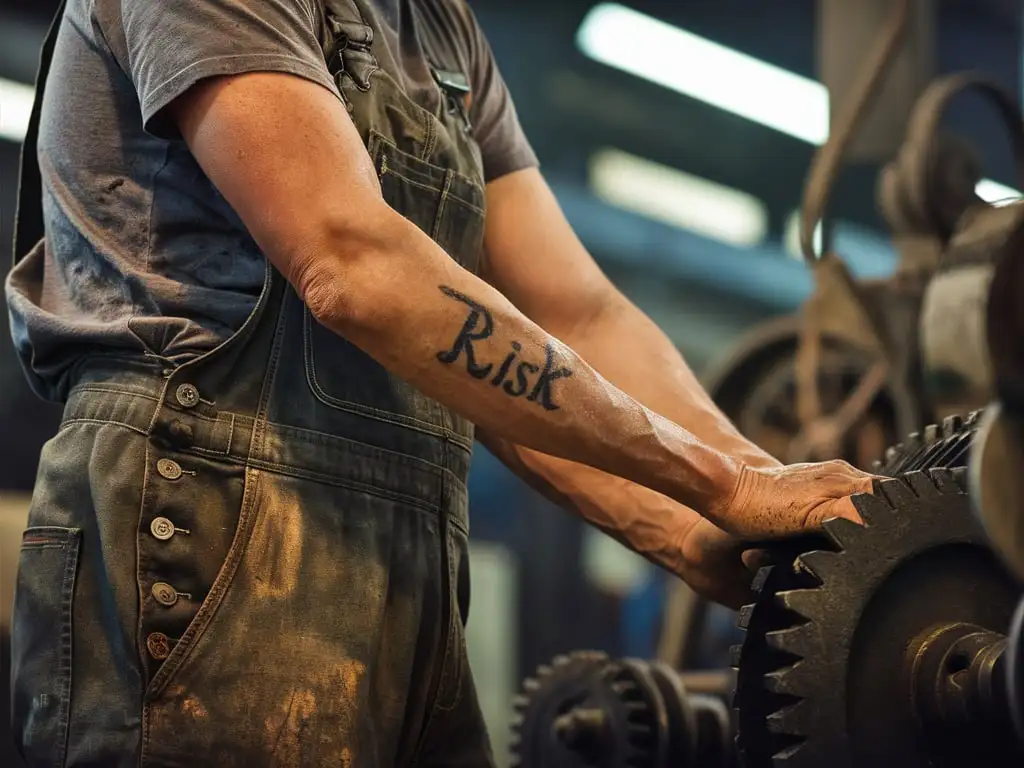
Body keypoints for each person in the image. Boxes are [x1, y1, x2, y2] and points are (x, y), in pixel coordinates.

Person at [5, 0, 875, 766]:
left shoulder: (437, 26)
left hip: (403, 558)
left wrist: (735, 511)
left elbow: (574, 315)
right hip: (205, 520)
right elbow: (348, 260)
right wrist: (722, 483)